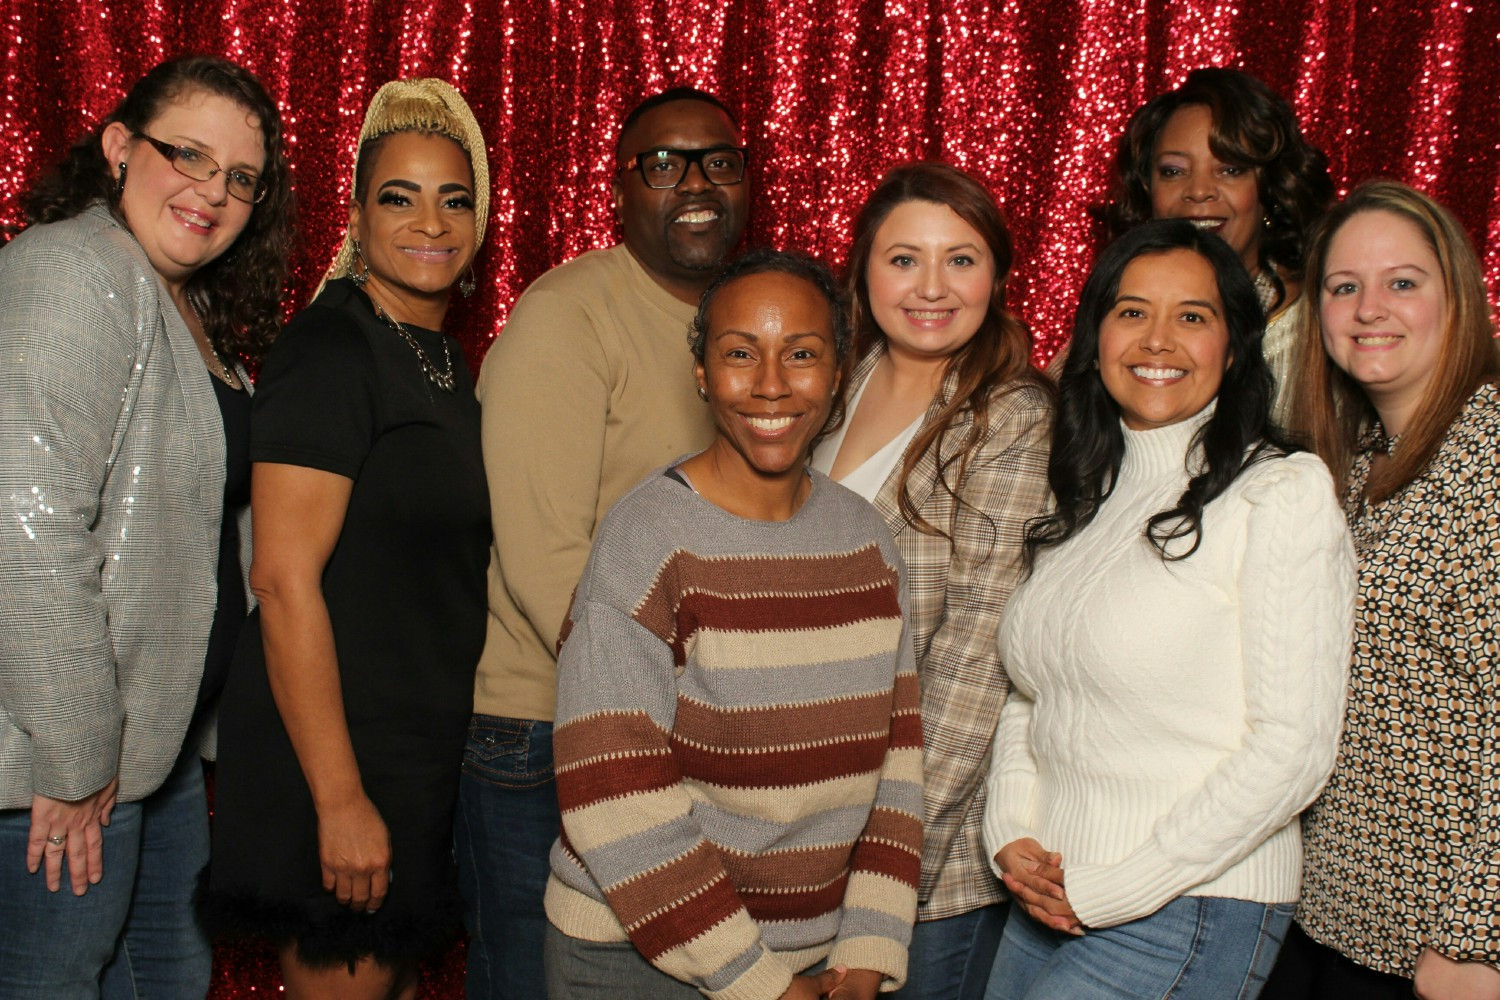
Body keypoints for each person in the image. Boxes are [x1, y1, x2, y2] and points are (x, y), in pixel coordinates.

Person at [981, 219, 1354, 1000]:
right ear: (1096, 334)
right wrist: (1010, 829)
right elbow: (1033, 689)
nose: (1159, 340)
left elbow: (1294, 748)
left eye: (1192, 316)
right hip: (1049, 888)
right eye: (1131, 311)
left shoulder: (1280, 491)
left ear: (1234, 344)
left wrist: (1122, 884)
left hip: (1187, 905)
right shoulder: (1089, 494)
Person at [542, 248, 922, 1000]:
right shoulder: (646, 540)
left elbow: (897, 766)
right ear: (702, 374)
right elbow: (613, 790)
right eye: (741, 354)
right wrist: (759, 982)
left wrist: (870, 950)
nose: (773, 383)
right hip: (638, 960)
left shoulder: (868, 542)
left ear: (839, 374)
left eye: (802, 354)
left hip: (817, 965)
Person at [0, 55, 292, 998]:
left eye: (240, 178)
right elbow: (29, 526)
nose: (213, 191)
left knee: (170, 974)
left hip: (150, 755)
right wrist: (82, 758)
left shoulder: (182, 298)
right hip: (57, 767)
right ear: (120, 148)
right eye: (188, 155)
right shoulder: (72, 269)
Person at [458, 85, 749, 999]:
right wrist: (689, 709)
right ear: (620, 190)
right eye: (663, 164)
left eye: (718, 161)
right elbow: (551, 568)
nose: (694, 183)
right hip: (546, 734)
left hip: (692, 729)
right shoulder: (567, 318)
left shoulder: (758, 321)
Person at [203, 78, 490, 1000]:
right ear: (359, 217)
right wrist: (338, 799)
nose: (430, 221)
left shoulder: (441, 359)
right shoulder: (333, 350)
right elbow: (282, 581)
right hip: (336, 758)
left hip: (411, 754)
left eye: (455, 198)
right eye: (398, 197)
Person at [810, 162, 1052, 1000]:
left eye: (962, 259)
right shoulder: (832, 377)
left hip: (917, 865)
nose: (932, 286)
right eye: (904, 258)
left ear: (996, 275)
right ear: (863, 270)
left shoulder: (1011, 417)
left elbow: (975, 665)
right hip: (797, 822)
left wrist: (884, 871)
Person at [1264, 182, 1500, 1000]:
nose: (1370, 308)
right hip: (1331, 913)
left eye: (1403, 282)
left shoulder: (1489, 454)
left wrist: (1479, 935)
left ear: (1456, 300)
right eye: (1343, 286)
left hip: (1440, 941)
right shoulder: (1355, 465)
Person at [1063, 67, 1332, 424]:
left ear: (1270, 188)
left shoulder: (1318, 325)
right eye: (1173, 171)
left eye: (1230, 169)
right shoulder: (1114, 310)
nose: (1199, 190)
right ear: (1147, 187)